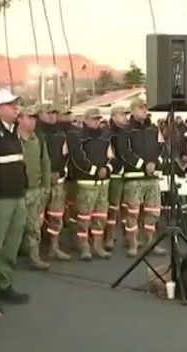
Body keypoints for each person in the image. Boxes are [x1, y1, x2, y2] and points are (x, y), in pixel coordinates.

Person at [0, 89, 31, 313]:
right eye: (12, 105)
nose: (17, 108)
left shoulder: (12, 132)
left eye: (17, 104)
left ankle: (4, 284)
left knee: (11, 244)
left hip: (17, 195)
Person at [116, 98, 164, 257]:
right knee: (132, 214)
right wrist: (143, 165)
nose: (145, 110)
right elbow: (125, 153)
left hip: (152, 178)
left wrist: (155, 163)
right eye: (141, 108)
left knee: (153, 212)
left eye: (146, 107)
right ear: (133, 110)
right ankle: (133, 244)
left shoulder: (154, 128)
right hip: (134, 178)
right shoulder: (125, 131)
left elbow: (161, 148)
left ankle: (151, 243)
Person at [68, 108, 114, 260]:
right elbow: (78, 159)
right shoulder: (78, 137)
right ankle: (84, 247)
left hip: (103, 184)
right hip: (86, 183)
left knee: (100, 217)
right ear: (85, 120)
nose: (96, 121)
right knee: (84, 218)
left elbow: (112, 157)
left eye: (98, 119)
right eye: (93, 118)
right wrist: (95, 171)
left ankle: (97, 246)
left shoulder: (105, 138)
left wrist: (107, 169)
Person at [17, 106, 55, 268]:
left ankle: (34, 256)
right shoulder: (12, 138)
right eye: (29, 117)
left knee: (34, 226)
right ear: (19, 118)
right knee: (14, 226)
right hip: (17, 191)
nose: (33, 121)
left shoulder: (38, 138)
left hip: (35, 189)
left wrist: (46, 185)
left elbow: (45, 162)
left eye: (34, 118)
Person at [36, 104, 68, 265]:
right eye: (48, 113)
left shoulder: (61, 133)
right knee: (37, 219)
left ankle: (54, 247)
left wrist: (60, 172)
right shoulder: (35, 133)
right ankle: (34, 253)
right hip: (40, 183)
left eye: (55, 112)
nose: (52, 116)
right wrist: (46, 174)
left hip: (58, 181)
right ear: (39, 114)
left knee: (56, 217)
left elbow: (65, 156)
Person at [105, 105, 130, 251]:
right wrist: (116, 166)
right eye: (121, 115)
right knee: (113, 208)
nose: (125, 117)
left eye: (126, 115)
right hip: (115, 175)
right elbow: (108, 153)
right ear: (113, 116)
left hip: (126, 173)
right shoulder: (108, 133)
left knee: (126, 209)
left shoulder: (126, 132)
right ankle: (109, 237)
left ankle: (129, 236)